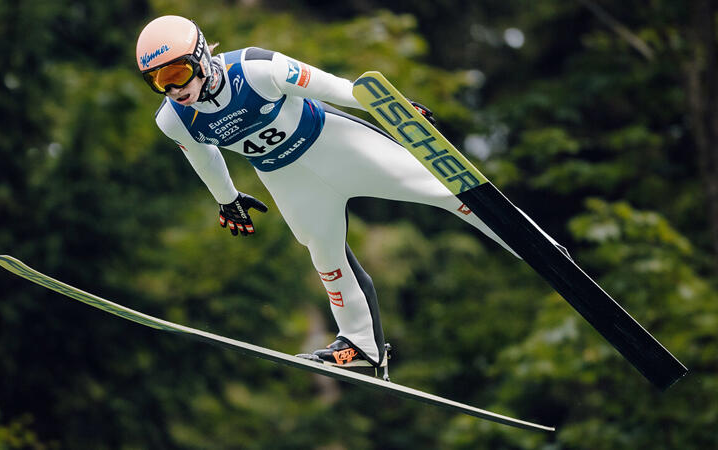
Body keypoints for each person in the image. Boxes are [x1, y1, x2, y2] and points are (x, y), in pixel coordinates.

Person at [135, 15, 515, 371]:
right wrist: (227, 198)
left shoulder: (256, 68)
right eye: (158, 81)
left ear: (201, 57)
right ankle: (362, 345)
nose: (172, 88)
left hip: (336, 147)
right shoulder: (174, 118)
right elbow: (204, 159)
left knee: (442, 189)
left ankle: (525, 240)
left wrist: (389, 109)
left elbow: (333, 87)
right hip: (287, 178)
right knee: (326, 255)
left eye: (177, 72)